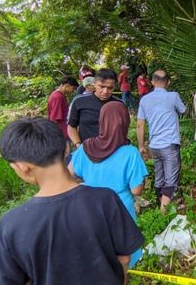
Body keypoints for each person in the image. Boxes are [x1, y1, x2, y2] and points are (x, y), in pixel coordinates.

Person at [0, 117, 144, 285]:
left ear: (21, 167)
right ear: (66, 149)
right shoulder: (106, 200)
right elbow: (123, 258)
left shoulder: (10, 226)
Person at [70, 101, 148, 268]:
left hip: (89, 209)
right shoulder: (130, 153)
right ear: (125, 122)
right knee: (123, 259)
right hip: (121, 210)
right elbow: (136, 190)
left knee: (96, 255)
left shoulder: (85, 147)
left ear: (101, 121)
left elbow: (68, 174)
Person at [136, 70, 186, 212]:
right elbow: (183, 111)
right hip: (169, 145)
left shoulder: (144, 100)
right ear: (168, 82)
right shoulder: (173, 96)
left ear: (152, 82)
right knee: (170, 181)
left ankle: (160, 206)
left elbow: (140, 124)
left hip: (154, 146)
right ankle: (162, 215)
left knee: (159, 178)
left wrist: (141, 146)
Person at [68, 68, 119, 147]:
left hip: (113, 152)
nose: (105, 91)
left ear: (114, 86)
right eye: (101, 86)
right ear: (94, 84)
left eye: (110, 88)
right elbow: (71, 127)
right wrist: (78, 145)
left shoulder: (119, 105)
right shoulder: (79, 101)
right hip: (86, 151)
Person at [47, 76, 78, 140]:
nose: (73, 91)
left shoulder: (59, 95)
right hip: (60, 133)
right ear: (67, 86)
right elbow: (54, 118)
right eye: (73, 88)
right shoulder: (58, 97)